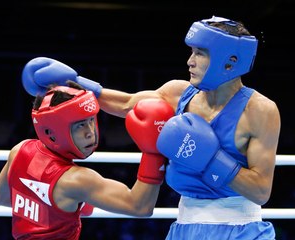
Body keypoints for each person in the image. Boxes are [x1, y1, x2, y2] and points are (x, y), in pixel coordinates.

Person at [21, 15, 281, 239]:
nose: (190, 61)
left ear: (229, 60)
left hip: (241, 230)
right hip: (186, 227)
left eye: (200, 53)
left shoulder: (259, 111)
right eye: (192, 52)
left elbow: (260, 191)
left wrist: (210, 158)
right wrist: (74, 81)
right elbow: (126, 104)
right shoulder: (179, 94)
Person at [0, 80, 175, 239]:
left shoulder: (19, 150)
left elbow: (0, 198)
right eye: (80, 125)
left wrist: (56, 207)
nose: (91, 132)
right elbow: (139, 206)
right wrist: (153, 152)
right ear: (52, 132)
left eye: (91, 120)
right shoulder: (76, 180)